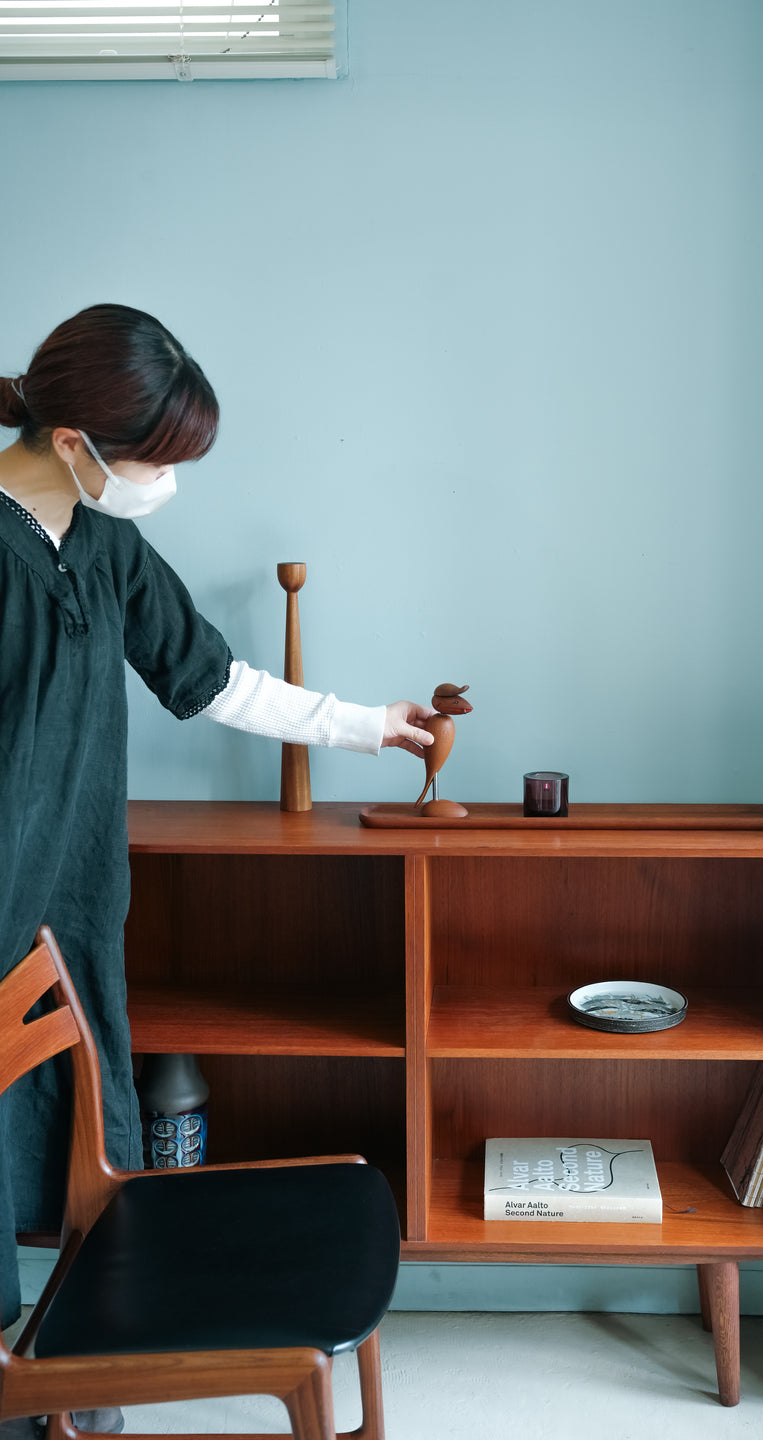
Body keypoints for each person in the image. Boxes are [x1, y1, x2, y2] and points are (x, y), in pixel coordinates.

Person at [0, 305, 434, 1432]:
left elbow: (211, 679)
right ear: (78, 443)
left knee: (78, 1138)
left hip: (72, 899)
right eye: (157, 462)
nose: (166, 485)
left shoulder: (106, 544)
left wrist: (369, 724)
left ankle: (80, 1367)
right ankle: (28, 1391)